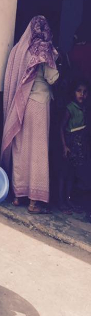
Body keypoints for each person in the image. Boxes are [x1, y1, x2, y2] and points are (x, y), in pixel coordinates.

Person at [1, 16, 59, 214]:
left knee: (21, 149)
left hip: (21, 105)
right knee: (38, 151)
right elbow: (52, 77)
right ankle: (34, 202)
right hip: (39, 104)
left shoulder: (19, 49)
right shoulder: (44, 49)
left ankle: (18, 196)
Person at [59, 79, 91, 217]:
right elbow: (61, 128)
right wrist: (64, 146)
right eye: (79, 91)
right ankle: (61, 202)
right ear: (73, 92)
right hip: (69, 144)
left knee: (72, 174)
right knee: (64, 173)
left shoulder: (85, 109)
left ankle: (68, 200)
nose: (82, 94)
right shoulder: (70, 108)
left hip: (79, 145)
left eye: (85, 92)